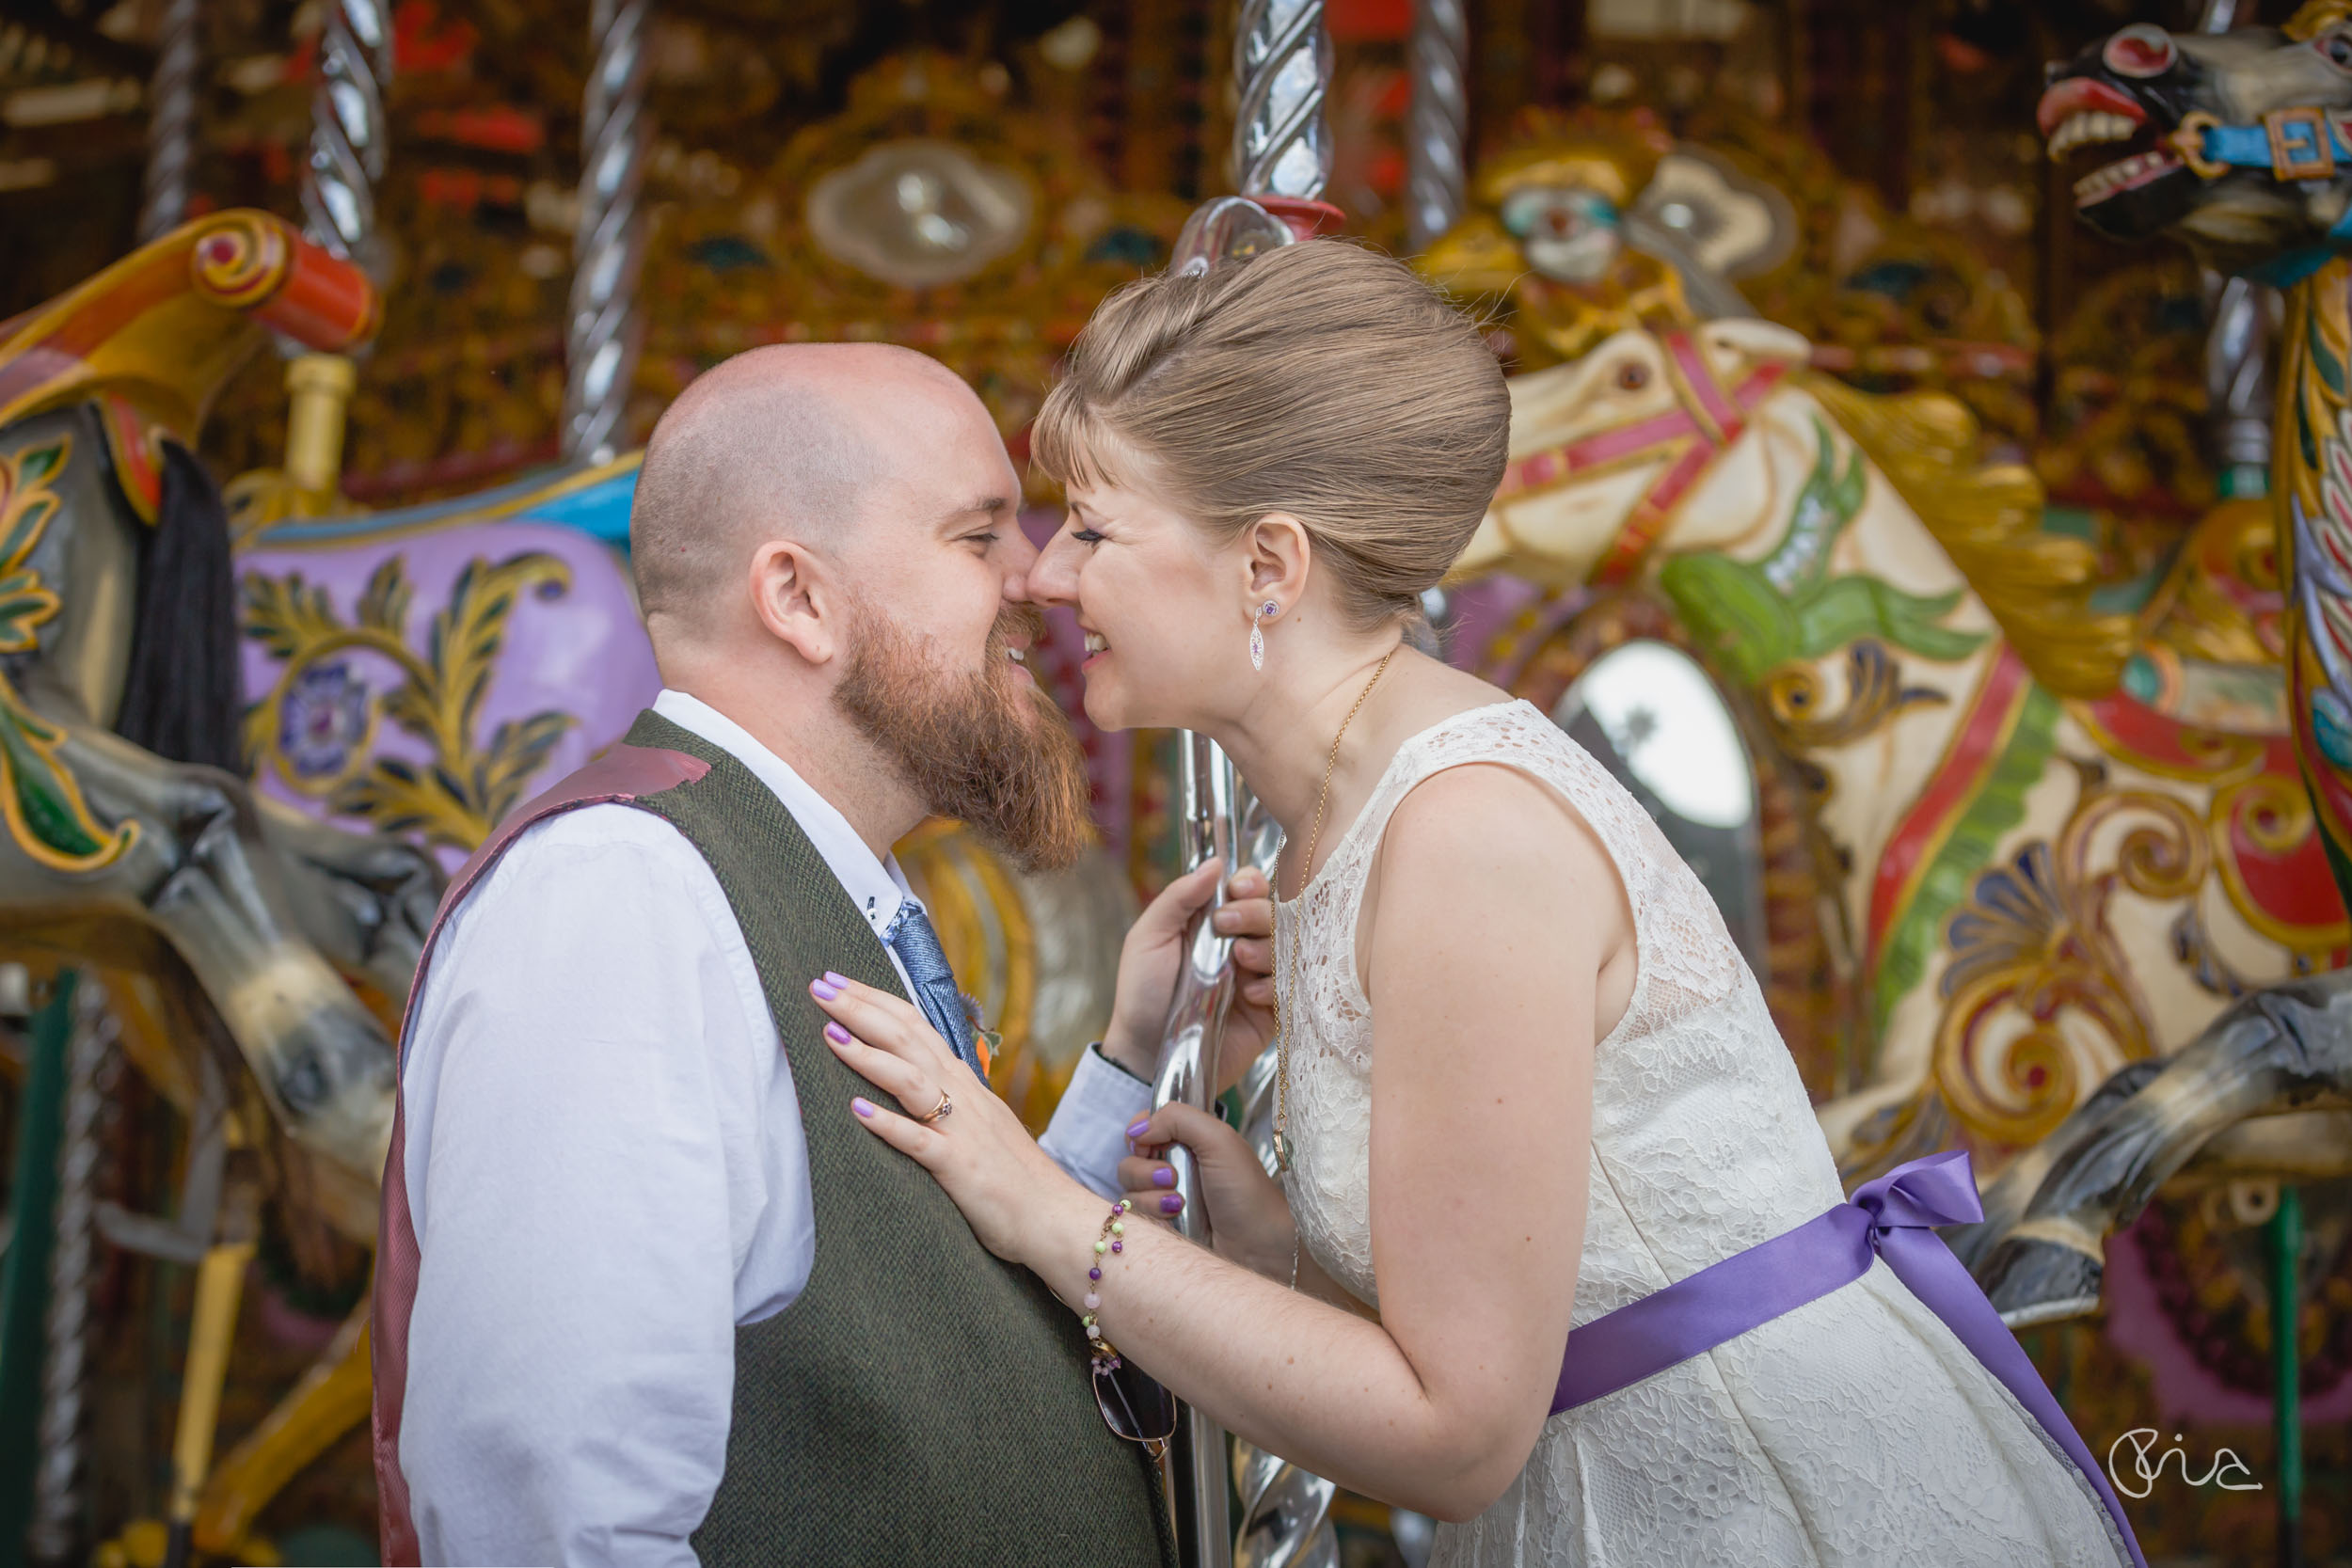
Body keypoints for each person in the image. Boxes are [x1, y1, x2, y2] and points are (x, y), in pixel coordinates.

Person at [812, 241, 2147, 1566]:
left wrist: (1044, 1209)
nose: (1044, 577)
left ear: (1269, 563)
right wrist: (1276, 1249)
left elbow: (1452, 1440)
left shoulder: (1462, 834)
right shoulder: (1346, 817)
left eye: (1095, 528)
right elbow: (1519, 1291)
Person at [369, 341, 1276, 1567]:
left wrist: (1141, 1053)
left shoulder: (815, 880)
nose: (1043, 579)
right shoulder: (620, 897)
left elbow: (932, 1306)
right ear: (798, 598)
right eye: (980, 534)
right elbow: (550, 1516)